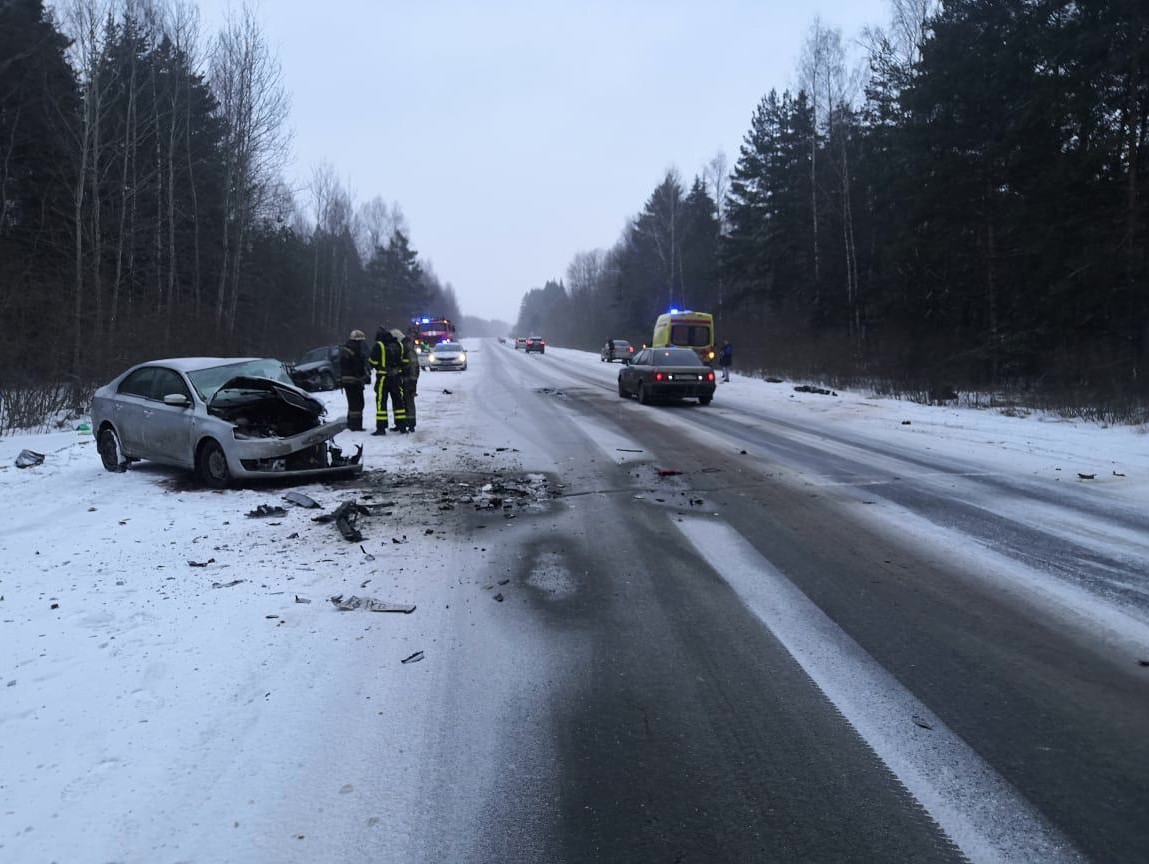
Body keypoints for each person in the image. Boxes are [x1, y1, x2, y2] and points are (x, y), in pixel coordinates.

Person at [368, 327, 407, 435]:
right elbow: (404, 361)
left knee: (381, 403)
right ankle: (402, 426)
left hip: (383, 378)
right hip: (396, 377)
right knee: (398, 401)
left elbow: (372, 362)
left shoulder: (379, 346)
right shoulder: (399, 345)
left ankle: (381, 428)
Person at [339, 330, 369, 431]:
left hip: (348, 381)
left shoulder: (346, 350)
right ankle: (356, 426)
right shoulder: (354, 351)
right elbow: (357, 366)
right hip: (354, 381)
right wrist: (363, 375)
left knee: (353, 403)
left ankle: (351, 423)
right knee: (357, 404)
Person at [397, 329, 420, 432]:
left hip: (408, 382)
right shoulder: (402, 348)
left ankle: (411, 424)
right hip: (402, 381)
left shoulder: (409, 350)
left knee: (409, 402)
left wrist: (412, 383)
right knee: (401, 403)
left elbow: (414, 368)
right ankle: (401, 423)